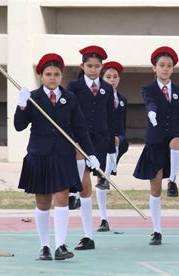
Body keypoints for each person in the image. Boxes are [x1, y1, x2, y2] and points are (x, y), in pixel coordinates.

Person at [14, 53, 99, 260]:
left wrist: (91, 154)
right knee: (43, 203)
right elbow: (19, 126)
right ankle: (44, 247)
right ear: (41, 76)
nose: (53, 78)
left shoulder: (69, 98)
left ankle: (60, 245)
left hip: (63, 155)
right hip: (39, 155)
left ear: (61, 76)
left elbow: (80, 128)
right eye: (48, 74)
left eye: (56, 74)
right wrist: (22, 105)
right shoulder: (33, 98)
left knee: (61, 198)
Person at [133, 46, 179, 245]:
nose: (165, 69)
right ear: (154, 68)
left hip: (174, 135)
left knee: (176, 143)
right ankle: (156, 230)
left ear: (173, 69)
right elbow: (150, 102)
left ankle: (173, 180)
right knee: (155, 189)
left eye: (169, 66)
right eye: (162, 65)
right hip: (155, 140)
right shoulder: (148, 89)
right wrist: (151, 113)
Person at [67, 45, 116, 250]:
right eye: (89, 66)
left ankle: (88, 236)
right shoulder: (73, 87)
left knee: (90, 188)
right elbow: (67, 113)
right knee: (84, 183)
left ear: (102, 67)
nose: (93, 70)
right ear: (82, 66)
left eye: (97, 66)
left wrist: (112, 145)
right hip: (78, 139)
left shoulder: (106, 89)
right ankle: (74, 193)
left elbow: (111, 118)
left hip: (99, 141)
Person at [95, 61, 129, 232]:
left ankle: (105, 176)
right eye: (108, 77)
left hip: (117, 143)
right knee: (101, 175)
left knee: (113, 146)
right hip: (100, 141)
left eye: (115, 77)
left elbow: (123, 126)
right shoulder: (98, 97)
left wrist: (120, 138)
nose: (112, 80)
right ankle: (103, 218)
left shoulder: (122, 100)